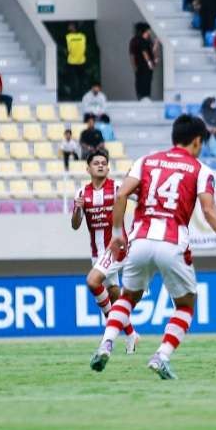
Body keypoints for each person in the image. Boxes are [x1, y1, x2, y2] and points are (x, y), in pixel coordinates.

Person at [91, 115, 216, 378]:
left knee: (128, 297)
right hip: (172, 242)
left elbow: (120, 194)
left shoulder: (146, 160)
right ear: (198, 141)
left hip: (139, 239)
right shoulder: (201, 169)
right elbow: (209, 210)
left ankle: (106, 343)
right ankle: (161, 356)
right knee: (186, 305)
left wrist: (117, 233)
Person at [72, 150, 140, 350]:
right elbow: (75, 225)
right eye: (96, 163)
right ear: (88, 169)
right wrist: (77, 209)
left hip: (116, 249)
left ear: (108, 168)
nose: (100, 165)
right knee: (113, 294)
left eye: (104, 163)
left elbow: (141, 198)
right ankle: (130, 334)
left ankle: (110, 332)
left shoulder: (118, 187)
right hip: (97, 252)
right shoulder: (82, 193)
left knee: (93, 282)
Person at [129, 25, 157, 101]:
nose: (150, 32)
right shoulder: (141, 40)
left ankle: (141, 97)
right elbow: (144, 53)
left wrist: (134, 66)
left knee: (140, 81)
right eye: (148, 30)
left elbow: (132, 55)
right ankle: (145, 97)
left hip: (139, 66)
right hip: (144, 65)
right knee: (146, 81)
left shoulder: (134, 40)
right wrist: (150, 64)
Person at [64, 22, 88, 97]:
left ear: (74, 27)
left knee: (73, 80)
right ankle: (81, 95)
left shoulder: (68, 37)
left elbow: (67, 49)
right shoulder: (83, 36)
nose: (69, 27)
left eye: (70, 26)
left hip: (72, 62)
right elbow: (84, 47)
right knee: (81, 80)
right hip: (81, 61)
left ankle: (74, 95)